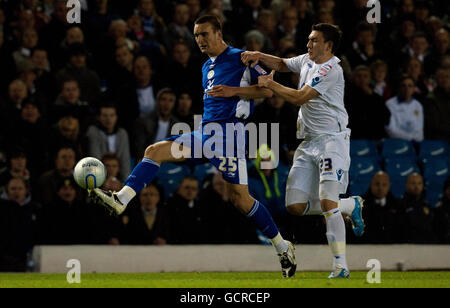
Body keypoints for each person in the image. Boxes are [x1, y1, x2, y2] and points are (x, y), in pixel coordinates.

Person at [90, 15, 296, 278]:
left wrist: (234, 92)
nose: (199, 40)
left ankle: (281, 246)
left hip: (231, 136)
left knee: (240, 199)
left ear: (219, 33)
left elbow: (267, 91)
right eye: (196, 35)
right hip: (206, 132)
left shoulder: (241, 57)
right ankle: (122, 199)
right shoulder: (205, 67)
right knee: (154, 151)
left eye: (204, 34)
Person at [240, 23, 365, 278]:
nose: (308, 44)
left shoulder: (331, 69)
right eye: (309, 40)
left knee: (328, 202)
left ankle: (341, 266)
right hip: (308, 143)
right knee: (295, 205)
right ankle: (349, 205)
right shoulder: (307, 60)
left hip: (332, 140)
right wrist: (259, 55)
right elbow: (284, 64)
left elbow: (299, 97)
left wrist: (270, 86)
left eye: (314, 40)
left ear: (328, 45)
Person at [385, 74, 424, 142]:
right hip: (396, 142)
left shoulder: (418, 105)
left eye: (410, 86)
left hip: (415, 143)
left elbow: (419, 130)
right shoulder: (390, 104)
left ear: (414, 89)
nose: (407, 89)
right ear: (399, 88)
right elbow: (391, 129)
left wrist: (415, 139)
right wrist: (410, 138)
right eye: (403, 86)